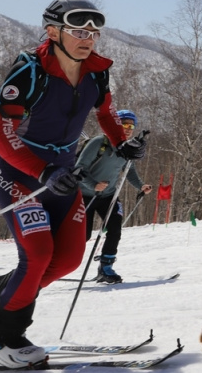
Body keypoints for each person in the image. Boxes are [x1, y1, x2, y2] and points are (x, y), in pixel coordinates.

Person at [0, 0, 146, 368]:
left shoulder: (96, 72)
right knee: (36, 255)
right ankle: (5, 337)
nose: (89, 38)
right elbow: (1, 131)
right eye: (79, 30)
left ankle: (4, 306)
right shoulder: (30, 69)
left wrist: (122, 145)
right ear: (53, 31)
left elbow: (107, 112)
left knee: (66, 260)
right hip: (18, 171)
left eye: (94, 31)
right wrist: (42, 171)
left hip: (62, 172)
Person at [77, 109, 153, 284]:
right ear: (115, 125)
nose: (128, 129)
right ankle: (50, 264)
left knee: (115, 230)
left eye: (131, 126)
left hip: (108, 196)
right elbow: (79, 168)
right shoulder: (98, 142)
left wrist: (140, 185)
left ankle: (106, 267)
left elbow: (129, 170)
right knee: (83, 235)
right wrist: (93, 184)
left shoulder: (127, 148)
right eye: (124, 124)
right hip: (85, 195)